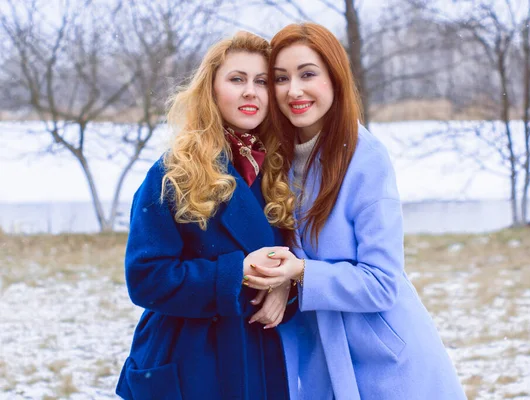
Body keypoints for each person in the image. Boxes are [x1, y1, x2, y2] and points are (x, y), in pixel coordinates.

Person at [243, 23, 467, 399]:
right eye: (280, 78)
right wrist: (284, 281)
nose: (293, 90)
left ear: (335, 77)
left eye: (307, 74)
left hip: (382, 363)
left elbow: (382, 284)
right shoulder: (271, 157)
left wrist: (298, 273)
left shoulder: (366, 159)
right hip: (316, 358)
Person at [115, 31, 298, 400]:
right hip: (191, 356)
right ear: (211, 90)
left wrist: (284, 285)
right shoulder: (173, 172)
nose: (251, 92)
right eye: (237, 79)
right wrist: (237, 272)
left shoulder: (278, 169)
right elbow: (146, 277)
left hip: (256, 352)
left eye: (262, 81)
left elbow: (293, 255)